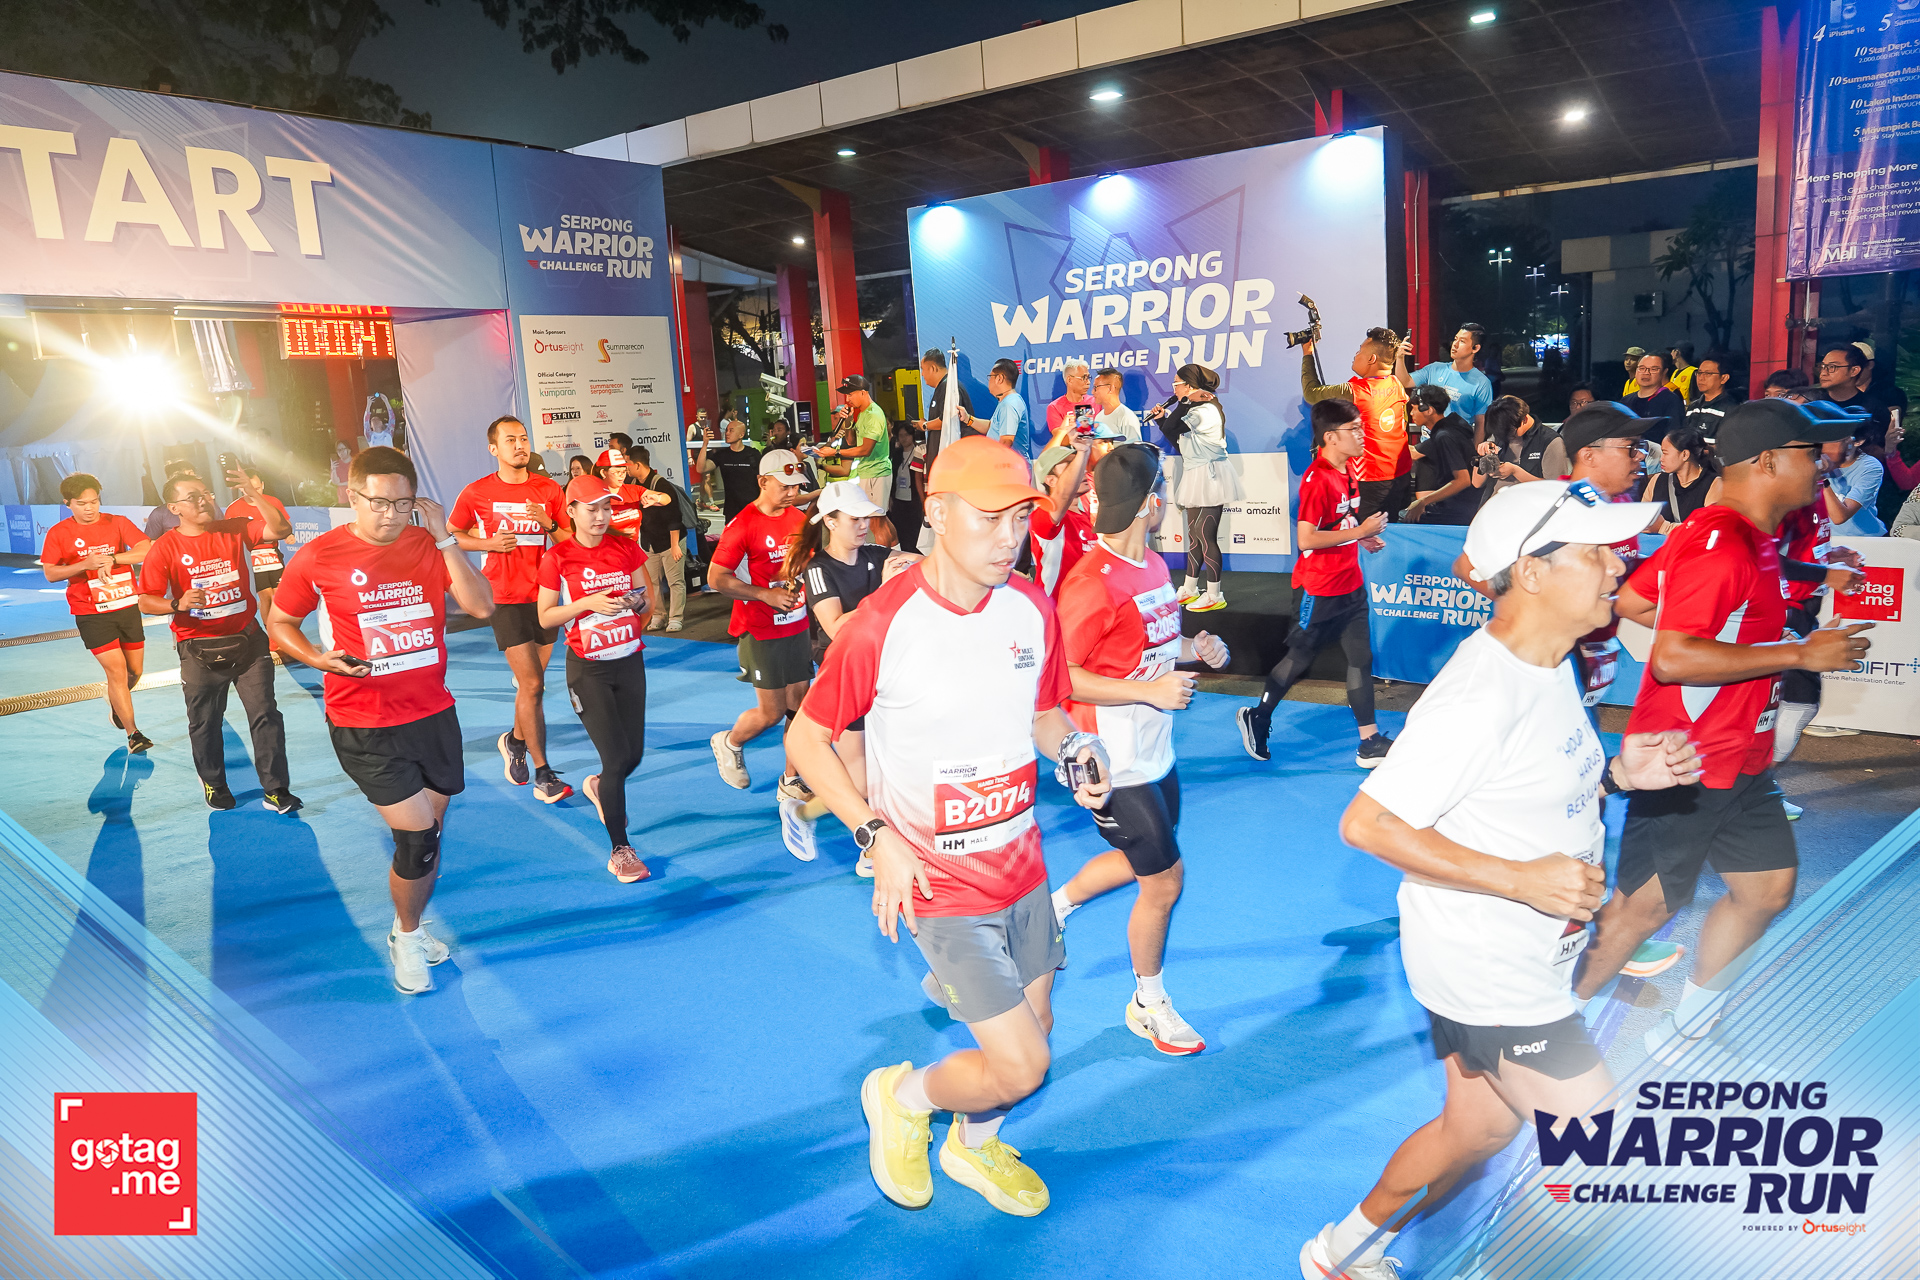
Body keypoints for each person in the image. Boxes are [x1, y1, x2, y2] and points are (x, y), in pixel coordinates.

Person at [1300, 479, 1699, 1280]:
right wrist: (1521, 880)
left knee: (1478, 1130)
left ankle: (1340, 1253)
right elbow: (1367, 824)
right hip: (1491, 970)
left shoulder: (1546, 665)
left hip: (1524, 957)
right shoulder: (1482, 692)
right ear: (1533, 572)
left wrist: (1619, 775)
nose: (1619, 565)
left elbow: (1518, 790)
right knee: (1609, 1162)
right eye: (1596, 552)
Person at [785, 434, 1112, 1219]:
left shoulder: (1031, 606)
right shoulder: (880, 624)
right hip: (942, 886)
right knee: (1025, 1064)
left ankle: (973, 1143)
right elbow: (806, 740)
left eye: (1020, 519)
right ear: (935, 512)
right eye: (989, 518)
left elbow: (1045, 715)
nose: (1009, 537)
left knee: (1039, 1022)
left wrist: (1075, 748)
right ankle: (904, 1096)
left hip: (1023, 866)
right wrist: (874, 834)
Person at [1571, 398, 1872, 1061]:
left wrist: (1748, 633)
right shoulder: (1722, 542)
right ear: (1766, 462)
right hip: (1686, 763)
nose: (1823, 465)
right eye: (1810, 453)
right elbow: (1673, 658)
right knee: (1640, 913)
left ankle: (1688, 1030)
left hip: (1740, 759)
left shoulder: (1734, 533)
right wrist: (1797, 654)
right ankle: (1552, 1030)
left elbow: (1636, 600)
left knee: (1766, 889)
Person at [268, 446, 495, 994]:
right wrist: (317, 659)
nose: (391, 514)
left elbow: (482, 606)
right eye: (378, 502)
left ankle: (407, 924)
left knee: (431, 834)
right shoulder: (319, 555)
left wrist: (445, 538)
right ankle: (407, 938)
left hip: (433, 713)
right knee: (418, 839)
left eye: (402, 503)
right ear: (352, 497)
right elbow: (279, 621)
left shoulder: (428, 544)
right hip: (364, 721)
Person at [1052, 443, 1229, 1054]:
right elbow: (1061, 676)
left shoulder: (1153, 565)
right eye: (1161, 492)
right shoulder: (1088, 583)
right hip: (1108, 759)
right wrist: (1149, 691)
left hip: (1156, 750)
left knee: (1141, 860)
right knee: (1165, 881)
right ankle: (1148, 1003)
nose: (1166, 501)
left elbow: (1154, 644)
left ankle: (1053, 908)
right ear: (1148, 504)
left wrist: (1195, 648)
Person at [1237, 400, 1392, 769]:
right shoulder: (1316, 478)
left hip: (1350, 585)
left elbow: (1340, 521)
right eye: (1354, 429)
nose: (1362, 435)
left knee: (1360, 659)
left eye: (1360, 427)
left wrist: (1360, 537)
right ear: (1331, 437)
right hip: (1318, 589)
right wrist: (1359, 531)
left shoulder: (1349, 468)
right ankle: (1258, 716)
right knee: (1299, 659)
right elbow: (1306, 538)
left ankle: (1369, 741)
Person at [135, 472, 297, 814]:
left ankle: (276, 790)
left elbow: (281, 529)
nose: (203, 500)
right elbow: (146, 600)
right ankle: (214, 782)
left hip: (248, 641)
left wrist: (254, 494)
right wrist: (177, 603)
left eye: (206, 493)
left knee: (266, 714)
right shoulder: (165, 546)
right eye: (193, 497)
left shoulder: (234, 529)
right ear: (174, 508)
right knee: (205, 722)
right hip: (198, 648)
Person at [778, 480, 919, 866]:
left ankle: (874, 848)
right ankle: (803, 813)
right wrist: (885, 591)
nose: (863, 525)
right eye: (854, 518)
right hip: (846, 678)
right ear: (830, 522)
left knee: (894, 767)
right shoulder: (818, 569)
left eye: (866, 518)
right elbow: (837, 627)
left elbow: (932, 564)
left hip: (886, 674)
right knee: (859, 781)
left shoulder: (877, 554)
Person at [535, 475, 654, 885]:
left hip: (630, 661)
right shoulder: (557, 557)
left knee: (633, 756)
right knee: (617, 759)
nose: (601, 516)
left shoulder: (626, 547)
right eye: (592, 509)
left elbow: (648, 600)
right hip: (589, 670)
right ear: (571, 511)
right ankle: (620, 850)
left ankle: (601, 787)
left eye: (607, 508)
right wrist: (587, 603)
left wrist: (635, 603)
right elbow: (545, 617)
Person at [450, 416, 573, 804]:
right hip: (503, 597)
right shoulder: (477, 492)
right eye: (510, 440)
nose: (519, 445)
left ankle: (516, 741)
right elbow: (452, 534)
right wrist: (486, 544)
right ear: (494, 449)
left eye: (523, 438)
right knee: (532, 685)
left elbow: (570, 539)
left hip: (545, 597)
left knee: (532, 686)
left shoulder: (548, 489)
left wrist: (548, 523)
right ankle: (543, 773)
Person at [709, 448, 813, 800]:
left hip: (797, 625)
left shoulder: (799, 520)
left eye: (796, 486)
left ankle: (791, 779)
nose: (792, 493)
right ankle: (729, 741)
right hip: (759, 629)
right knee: (771, 713)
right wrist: (763, 594)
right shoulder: (743, 524)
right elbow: (716, 578)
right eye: (784, 486)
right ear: (762, 482)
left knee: (799, 707)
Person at [42, 473, 154, 752]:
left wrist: (112, 558)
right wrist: (85, 564)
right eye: (81, 504)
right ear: (67, 503)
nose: (90, 508)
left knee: (135, 671)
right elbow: (51, 573)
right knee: (116, 671)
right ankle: (133, 734)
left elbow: (145, 550)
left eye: (94, 502)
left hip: (125, 605)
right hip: (90, 611)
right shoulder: (59, 533)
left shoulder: (118, 522)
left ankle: (117, 702)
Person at [1152, 363, 1241, 611]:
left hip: (1211, 475)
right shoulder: (1193, 409)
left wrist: (1184, 403)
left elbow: (1175, 426)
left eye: (1177, 384)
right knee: (1194, 533)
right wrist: (1162, 420)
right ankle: (1190, 587)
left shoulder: (1206, 410)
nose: (1173, 389)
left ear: (1189, 386)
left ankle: (1214, 593)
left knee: (1205, 533)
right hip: (1195, 473)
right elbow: (1179, 441)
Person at [1303, 327, 1412, 520]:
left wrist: (1307, 353)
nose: (1356, 354)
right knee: (1389, 530)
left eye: (1360, 350)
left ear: (1372, 359)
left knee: (1360, 534)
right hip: (1399, 476)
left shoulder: (1355, 391)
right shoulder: (1396, 384)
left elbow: (1311, 393)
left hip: (1367, 481)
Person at [616, 446, 686, 632]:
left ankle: (676, 618)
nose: (625, 468)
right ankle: (659, 615)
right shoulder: (631, 484)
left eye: (627, 463)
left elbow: (675, 517)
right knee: (652, 582)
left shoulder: (661, 484)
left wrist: (675, 545)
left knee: (675, 581)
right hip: (649, 542)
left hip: (670, 541)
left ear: (638, 465)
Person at [225, 467, 295, 641]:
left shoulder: (273, 502)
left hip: (273, 554)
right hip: (252, 558)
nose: (254, 492)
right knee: (266, 597)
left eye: (257, 488)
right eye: (249, 488)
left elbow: (285, 525)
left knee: (280, 596)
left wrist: (289, 535)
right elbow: (229, 538)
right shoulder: (233, 509)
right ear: (242, 488)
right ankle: (272, 636)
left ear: (262, 485)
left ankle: (283, 632)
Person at [1026, 439, 1096, 596]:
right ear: (1050, 480)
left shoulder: (1086, 517)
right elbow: (1064, 494)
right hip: (1056, 608)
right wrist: (1083, 452)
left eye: (1079, 464)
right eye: (1070, 466)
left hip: (1085, 606)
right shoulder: (1043, 515)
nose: (1081, 471)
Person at [1403, 385, 1477, 525]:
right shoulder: (1451, 427)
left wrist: (1423, 502)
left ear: (1428, 410)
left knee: (1404, 518)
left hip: (1458, 510)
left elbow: (1463, 480)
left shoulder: (1444, 436)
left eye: (1414, 408)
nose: (1411, 413)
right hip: (1463, 506)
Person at [1403, 323, 1493, 437]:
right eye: (1455, 339)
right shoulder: (1435, 369)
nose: (1455, 344)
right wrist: (1400, 357)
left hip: (1456, 444)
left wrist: (1474, 447)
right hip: (1427, 444)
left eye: (1462, 341)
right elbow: (1405, 381)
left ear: (1475, 348)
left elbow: (1481, 423)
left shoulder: (1481, 383)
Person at [818, 375, 893, 513]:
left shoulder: (873, 414)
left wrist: (835, 452)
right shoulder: (863, 413)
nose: (847, 399)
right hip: (865, 472)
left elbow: (865, 450)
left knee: (877, 517)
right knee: (868, 517)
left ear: (863, 393)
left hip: (877, 472)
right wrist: (848, 420)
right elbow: (851, 442)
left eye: (850, 394)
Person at [1641, 424, 1721, 530]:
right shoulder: (1657, 480)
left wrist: (1664, 527)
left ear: (1685, 455)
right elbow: (1643, 520)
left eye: (1665, 453)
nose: (1661, 459)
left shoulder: (1714, 484)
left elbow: (1709, 529)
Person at [1809, 342, 1890, 446]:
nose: (1824, 373)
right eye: (1822, 366)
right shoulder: (1810, 402)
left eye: (1832, 367)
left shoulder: (1873, 409)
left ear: (1854, 371)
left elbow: (1877, 450)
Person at [1474, 395, 1559, 492]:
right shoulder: (1500, 434)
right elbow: (1477, 483)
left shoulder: (1550, 441)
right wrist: (1482, 456)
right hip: (1497, 498)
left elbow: (1555, 488)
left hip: (1529, 499)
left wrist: (1515, 471)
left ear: (1524, 419)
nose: (1506, 436)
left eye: (1510, 432)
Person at [698, 413, 764, 525]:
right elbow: (701, 468)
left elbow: (762, 481)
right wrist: (705, 444)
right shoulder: (722, 455)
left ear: (741, 435)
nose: (727, 433)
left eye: (731, 431)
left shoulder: (753, 454)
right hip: (732, 510)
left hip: (752, 508)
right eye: (726, 430)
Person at [1821, 433, 1885, 536]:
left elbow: (1839, 517)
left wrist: (1822, 479)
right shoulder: (1817, 460)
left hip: (1862, 538)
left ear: (1858, 441)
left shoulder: (1870, 467)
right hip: (1826, 538)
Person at [1625, 350, 1688, 443]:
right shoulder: (1626, 401)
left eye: (1653, 369)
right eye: (1641, 368)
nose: (1646, 373)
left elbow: (1675, 436)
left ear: (1664, 372)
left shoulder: (1671, 400)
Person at [979, 358, 1034, 458]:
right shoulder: (1007, 401)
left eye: (990, 377)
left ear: (999, 378)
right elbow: (991, 426)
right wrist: (967, 418)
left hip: (1009, 466)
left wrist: (993, 462)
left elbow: (1006, 440)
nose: (989, 381)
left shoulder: (1009, 404)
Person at [1684, 352, 1742, 440]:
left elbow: (1730, 442)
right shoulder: (1693, 407)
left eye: (1708, 374)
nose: (1701, 378)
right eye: (1699, 373)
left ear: (1724, 378)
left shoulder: (1731, 409)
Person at [145, 460, 198, 540]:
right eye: (189, 475)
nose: (195, 479)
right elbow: (149, 543)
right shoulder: (159, 514)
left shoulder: (208, 507)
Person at [1044, 357, 1093, 440]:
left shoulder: (1096, 402)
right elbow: (1060, 440)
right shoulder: (1054, 407)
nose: (1088, 382)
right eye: (1084, 378)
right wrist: (1081, 430)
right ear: (1069, 380)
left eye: (1088, 378)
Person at [1089, 367, 1141, 441]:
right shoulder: (1098, 417)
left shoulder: (1126, 417)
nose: (1092, 392)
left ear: (1111, 388)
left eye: (1096, 387)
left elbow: (1135, 447)